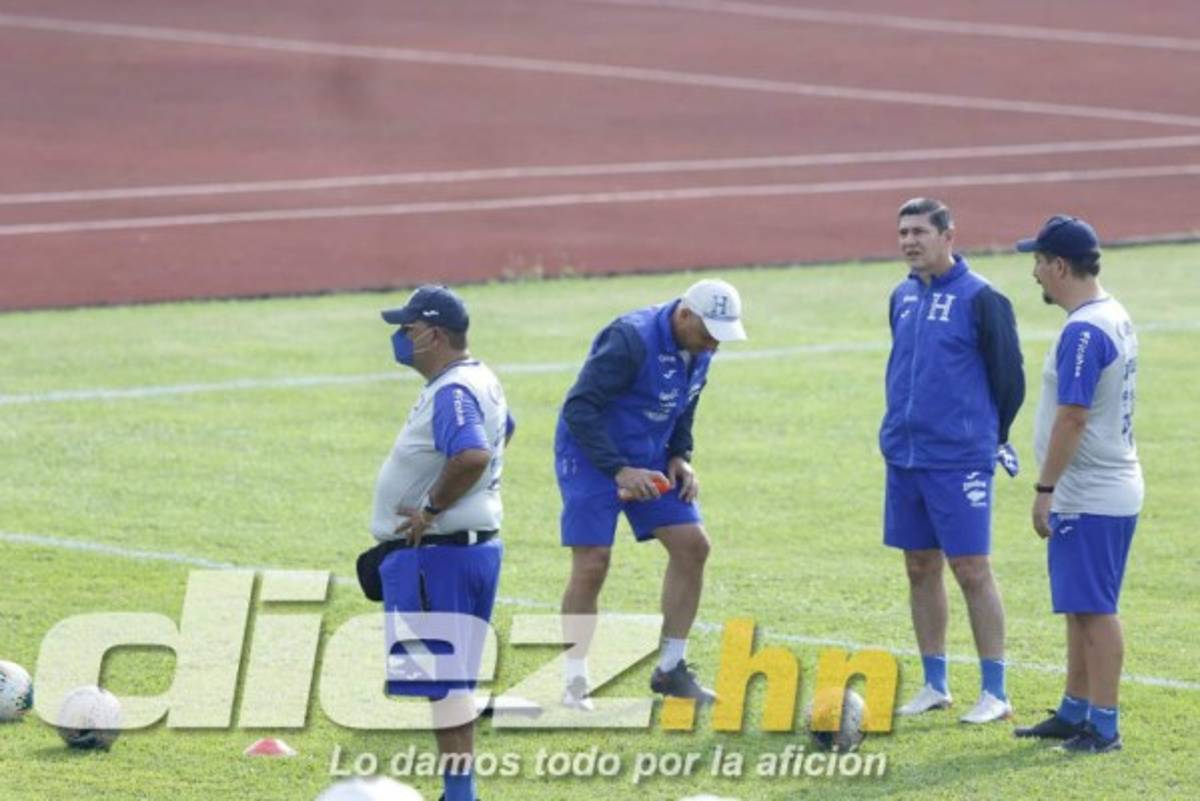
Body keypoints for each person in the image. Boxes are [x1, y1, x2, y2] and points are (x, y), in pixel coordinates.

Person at [555, 278, 747, 709]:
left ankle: (671, 670)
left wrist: (680, 454)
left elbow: (686, 403)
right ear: (685, 315)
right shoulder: (630, 339)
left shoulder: (700, 346)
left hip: (651, 454)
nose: (714, 345)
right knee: (592, 562)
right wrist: (619, 470)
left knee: (693, 546)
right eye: (709, 334)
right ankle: (574, 681)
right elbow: (579, 408)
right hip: (591, 456)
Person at [880, 197, 1025, 724]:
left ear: (948, 235)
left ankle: (995, 692)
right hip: (905, 455)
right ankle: (935, 684)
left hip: (959, 459)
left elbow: (1010, 378)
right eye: (903, 233)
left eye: (920, 231)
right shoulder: (901, 296)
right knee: (919, 566)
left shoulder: (982, 298)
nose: (909, 242)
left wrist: (991, 437)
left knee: (971, 569)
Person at [369, 285, 514, 801]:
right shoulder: (478, 379)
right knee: (453, 683)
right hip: (466, 549)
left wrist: (431, 509)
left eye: (407, 329)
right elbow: (504, 431)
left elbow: (473, 454)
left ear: (433, 334)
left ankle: (459, 796)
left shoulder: (453, 390)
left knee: (447, 686)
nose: (399, 337)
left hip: (442, 556)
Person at [1012, 216, 1142, 754]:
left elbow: (1073, 417)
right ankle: (1074, 710)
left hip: (1092, 492)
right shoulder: (1111, 315)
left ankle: (1104, 725)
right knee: (1079, 605)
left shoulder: (1084, 331)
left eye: (1039, 262)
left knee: (1094, 609)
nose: (1035, 273)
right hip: (1102, 487)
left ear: (1060, 266)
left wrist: (1045, 490)